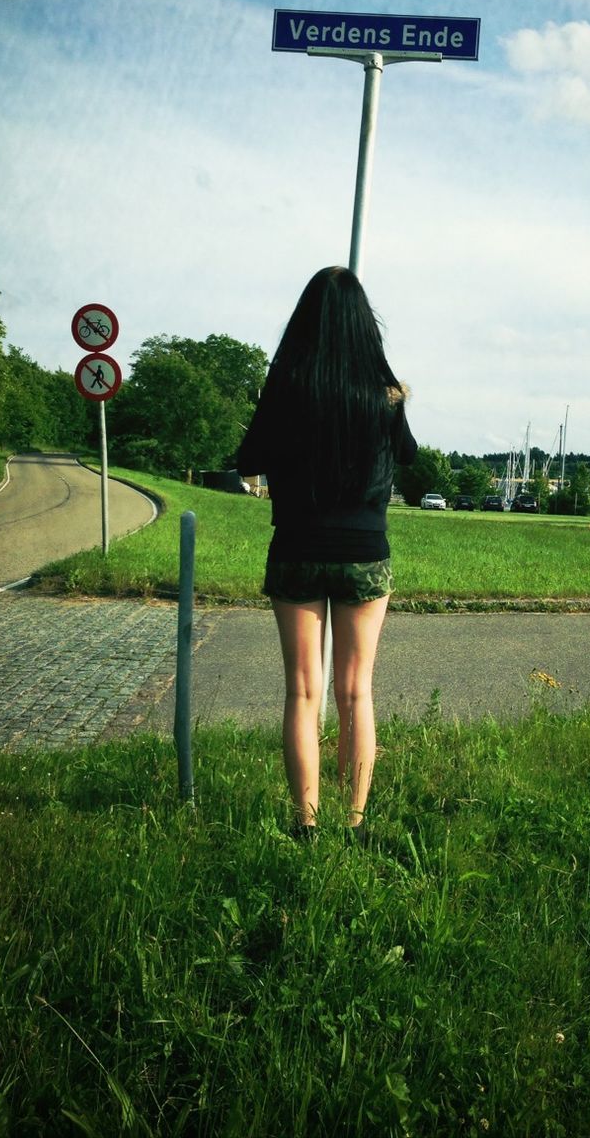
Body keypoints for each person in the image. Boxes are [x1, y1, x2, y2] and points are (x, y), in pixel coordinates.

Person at [237, 266, 417, 842]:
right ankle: (357, 822)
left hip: (296, 550)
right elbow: (408, 457)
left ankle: (306, 823)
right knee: (356, 689)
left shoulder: (287, 388)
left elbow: (246, 462)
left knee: (303, 690)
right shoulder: (385, 396)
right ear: (366, 326)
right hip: (364, 553)